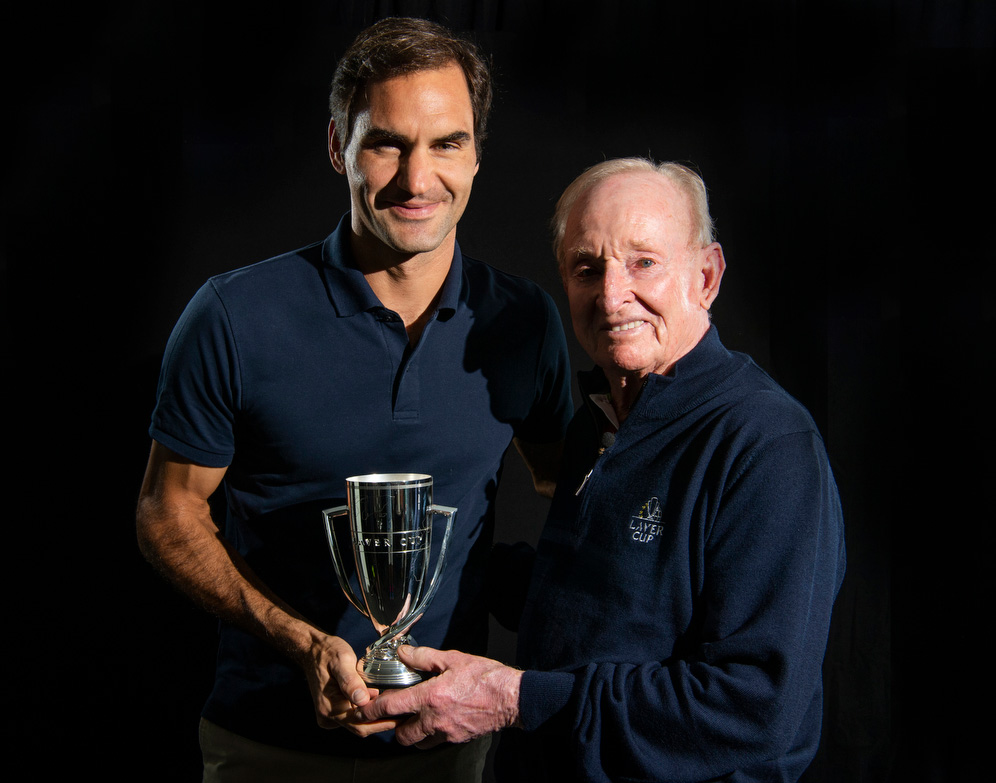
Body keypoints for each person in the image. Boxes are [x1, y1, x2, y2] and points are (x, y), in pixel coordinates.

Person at [134, 16, 572, 782]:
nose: (417, 179)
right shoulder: (235, 315)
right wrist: (300, 641)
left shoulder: (523, 322)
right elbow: (167, 510)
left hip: (449, 749)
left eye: (447, 143)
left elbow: (569, 487)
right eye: (387, 144)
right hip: (266, 746)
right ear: (338, 146)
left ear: (476, 153)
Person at [352, 158, 847, 783]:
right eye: (587, 269)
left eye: (644, 263)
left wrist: (513, 698)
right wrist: (435, 564)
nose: (612, 298)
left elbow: (752, 706)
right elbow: (603, 608)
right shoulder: (600, 422)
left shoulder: (765, 443)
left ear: (705, 277)